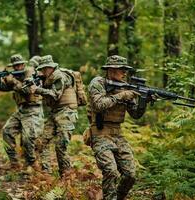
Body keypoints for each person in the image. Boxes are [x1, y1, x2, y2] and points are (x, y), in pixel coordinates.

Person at [88, 55, 147, 200]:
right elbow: (99, 104)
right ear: (111, 70)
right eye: (122, 69)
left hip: (117, 135)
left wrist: (144, 101)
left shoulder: (126, 87)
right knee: (110, 171)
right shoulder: (98, 83)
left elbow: (135, 114)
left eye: (125, 70)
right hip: (100, 133)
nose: (125, 73)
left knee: (130, 175)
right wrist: (122, 96)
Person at [0, 54, 44, 171]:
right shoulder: (14, 76)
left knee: (28, 138)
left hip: (33, 110)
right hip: (21, 110)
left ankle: (31, 163)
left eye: (20, 65)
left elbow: (27, 90)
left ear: (24, 64)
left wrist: (13, 81)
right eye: (15, 66)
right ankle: (14, 163)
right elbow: (4, 88)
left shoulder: (30, 73)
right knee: (7, 131)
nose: (18, 67)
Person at [29, 55, 78, 176]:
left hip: (66, 112)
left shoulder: (59, 76)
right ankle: (46, 173)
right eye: (42, 69)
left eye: (45, 68)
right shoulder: (47, 77)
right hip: (55, 112)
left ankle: (66, 176)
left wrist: (38, 89)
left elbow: (55, 95)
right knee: (42, 142)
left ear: (51, 67)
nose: (44, 71)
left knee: (61, 146)